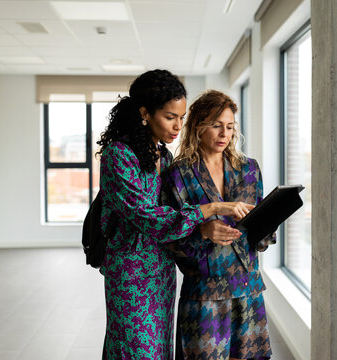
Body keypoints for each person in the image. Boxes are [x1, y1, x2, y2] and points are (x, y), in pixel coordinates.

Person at [96, 70, 251, 360]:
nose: (178, 126)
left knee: (159, 350)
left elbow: (175, 218)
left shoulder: (163, 155)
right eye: (170, 117)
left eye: (181, 118)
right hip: (130, 272)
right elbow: (147, 217)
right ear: (145, 113)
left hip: (163, 270)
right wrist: (211, 208)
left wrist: (207, 229)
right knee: (134, 350)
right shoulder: (118, 155)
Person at [162, 90, 275, 360]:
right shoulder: (178, 174)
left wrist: (268, 222)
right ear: (199, 127)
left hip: (248, 288)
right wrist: (202, 230)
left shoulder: (249, 169)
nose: (224, 133)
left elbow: (262, 235)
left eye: (230, 127)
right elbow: (167, 235)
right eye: (216, 126)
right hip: (203, 293)